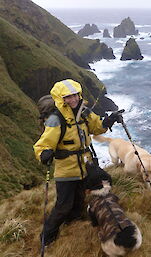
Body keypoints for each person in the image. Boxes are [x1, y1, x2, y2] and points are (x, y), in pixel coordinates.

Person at [34, 79, 119, 246]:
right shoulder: (56, 120)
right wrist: (44, 154)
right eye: (67, 97)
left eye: (74, 95)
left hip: (84, 165)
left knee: (80, 199)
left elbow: (97, 127)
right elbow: (42, 144)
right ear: (60, 99)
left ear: (79, 95)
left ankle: (73, 222)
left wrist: (109, 121)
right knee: (63, 206)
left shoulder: (84, 112)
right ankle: (47, 237)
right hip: (66, 169)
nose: (72, 100)